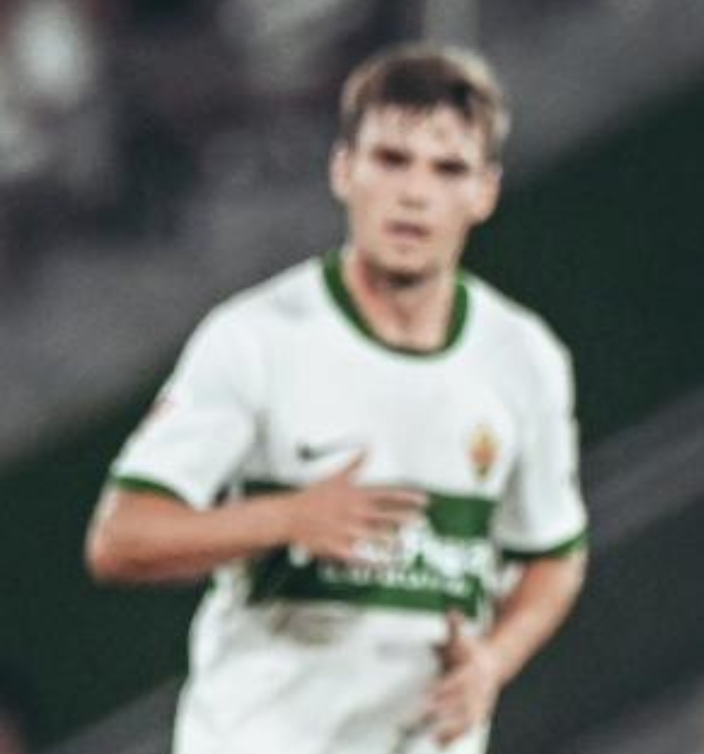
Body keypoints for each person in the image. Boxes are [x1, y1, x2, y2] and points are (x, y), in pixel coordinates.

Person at [84, 44, 588, 754]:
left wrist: (494, 661)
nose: (414, 193)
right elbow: (121, 537)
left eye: (447, 170)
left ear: (485, 192)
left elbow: (554, 554)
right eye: (390, 159)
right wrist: (286, 516)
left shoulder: (523, 358)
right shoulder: (257, 340)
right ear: (343, 169)